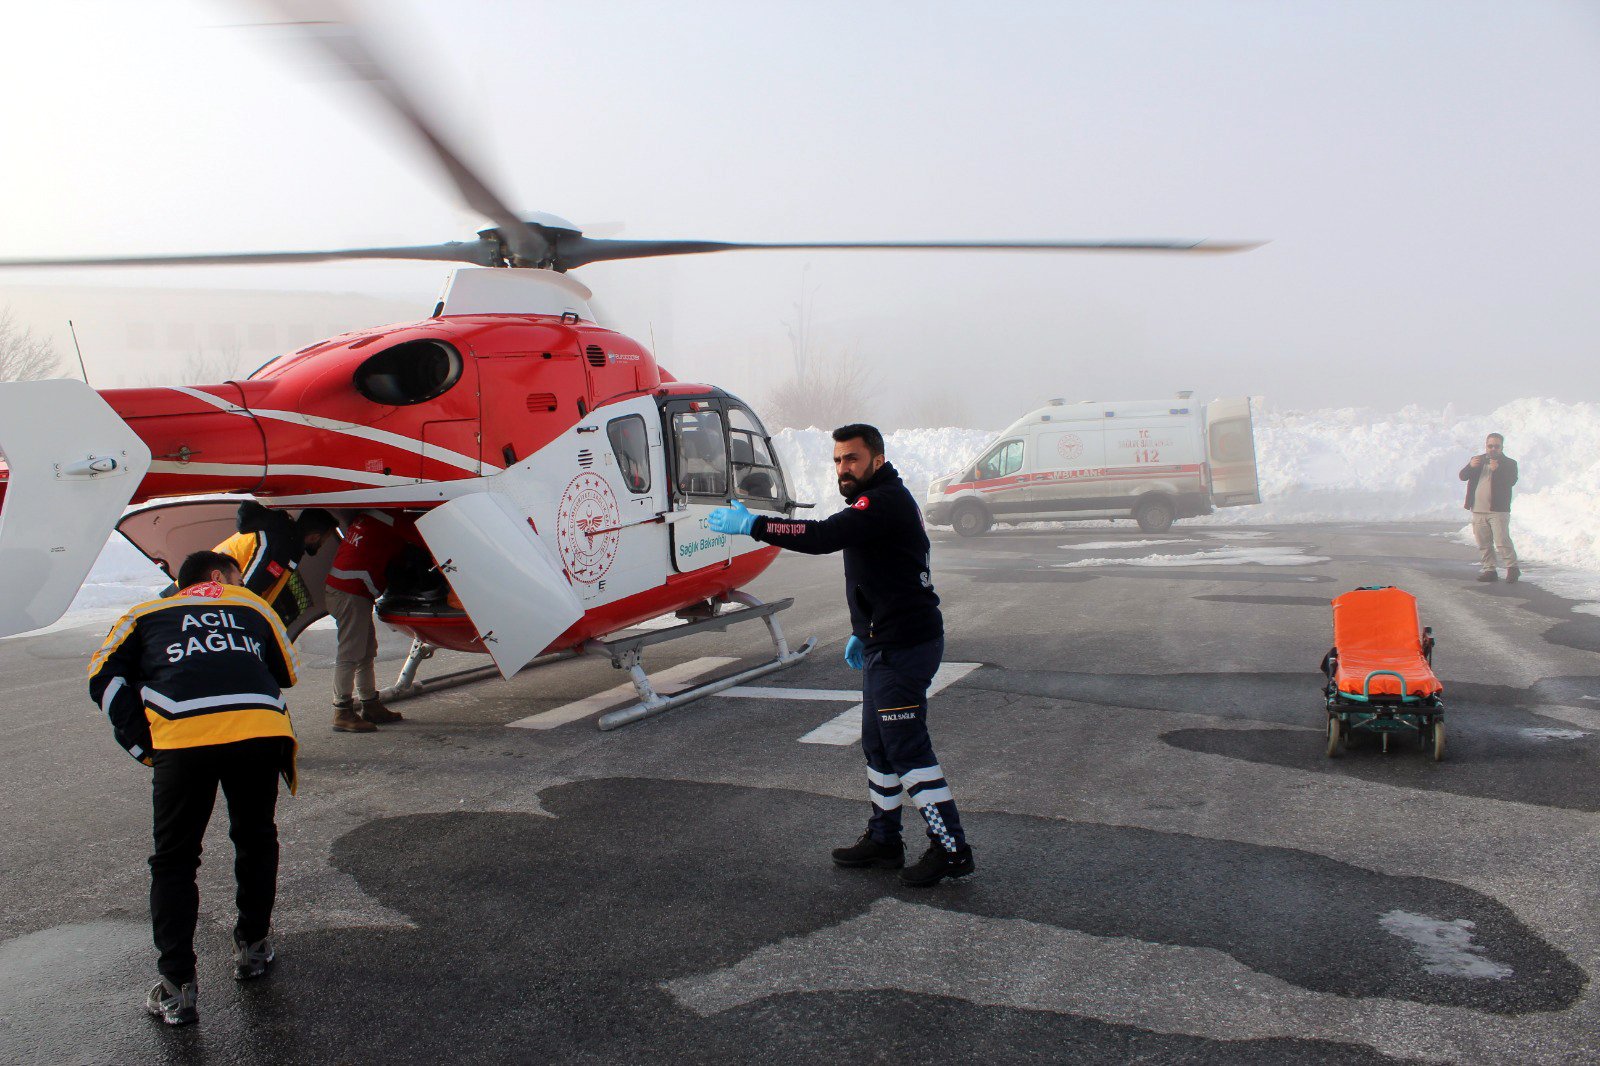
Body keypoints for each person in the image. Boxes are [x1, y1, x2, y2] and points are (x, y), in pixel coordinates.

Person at [708, 423, 974, 887]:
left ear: (876, 458)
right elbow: (874, 576)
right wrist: (860, 630)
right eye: (836, 460)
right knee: (878, 746)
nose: (843, 468)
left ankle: (951, 849)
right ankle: (885, 840)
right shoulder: (872, 504)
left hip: (905, 646)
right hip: (882, 642)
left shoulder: (883, 500)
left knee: (907, 749)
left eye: (851, 458)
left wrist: (754, 525)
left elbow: (824, 536)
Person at [87, 550, 300, 1026]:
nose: (238, 582)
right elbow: (288, 670)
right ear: (217, 576)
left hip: (183, 738)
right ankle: (253, 947)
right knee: (255, 837)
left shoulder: (142, 614)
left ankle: (177, 986)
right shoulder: (251, 605)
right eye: (236, 575)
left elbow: (102, 675)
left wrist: (145, 744)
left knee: (175, 859)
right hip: (258, 730)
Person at [323, 511, 411, 732]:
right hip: (350, 593)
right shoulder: (398, 520)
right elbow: (423, 541)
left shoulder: (369, 513)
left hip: (347, 590)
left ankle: (370, 704)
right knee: (350, 654)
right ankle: (342, 711)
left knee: (365, 651)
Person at [214, 503, 339, 627]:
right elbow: (246, 590)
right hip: (214, 606)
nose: (323, 543)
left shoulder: (283, 542)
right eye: (325, 538)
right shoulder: (278, 546)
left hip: (215, 601)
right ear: (314, 537)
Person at [1459, 432, 1520, 583]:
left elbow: (1511, 481)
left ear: (1502, 447)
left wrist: (1497, 470)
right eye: (1490, 446)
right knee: (1483, 542)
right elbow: (1462, 476)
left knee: (1501, 541)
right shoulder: (1478, 460)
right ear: (1486, 446)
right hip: (1478, 509)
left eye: (1496, 446)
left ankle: (1512, 568)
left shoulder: (1509, 463)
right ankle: (1489, 569)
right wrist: (1470, 467)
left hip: (1498, 511)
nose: (1493, 449)